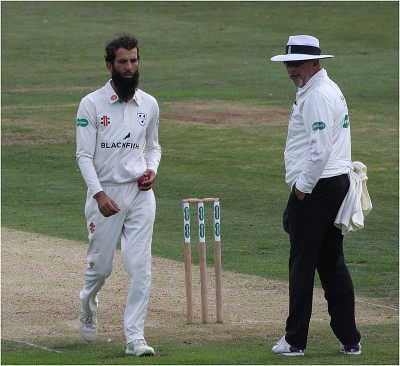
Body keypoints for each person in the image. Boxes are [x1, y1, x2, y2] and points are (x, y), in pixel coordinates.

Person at [269, 35, 361, 356]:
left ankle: (295, 341)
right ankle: (350, 338)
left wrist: (301, 188)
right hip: (331, 184)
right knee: (330, 261)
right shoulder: (321, 88)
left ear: (314, 62)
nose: (291, 70)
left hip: (318, 187)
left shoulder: (318, 95)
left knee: (303, 263)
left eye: (296, 64)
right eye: (288, 64)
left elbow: (319, 150)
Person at [75, 32, 161, 357]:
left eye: (134, 61)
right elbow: (84, 156)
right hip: (105, 195)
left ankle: (135, 337)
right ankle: (87, 302)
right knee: (101, 268)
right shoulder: (91, 104)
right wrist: (98, 194)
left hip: (139, 195)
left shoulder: (149, 104)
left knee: (140, 266)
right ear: (110, 64)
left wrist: (152, 170)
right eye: (123, 62)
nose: (129, 67)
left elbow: (153, 147)